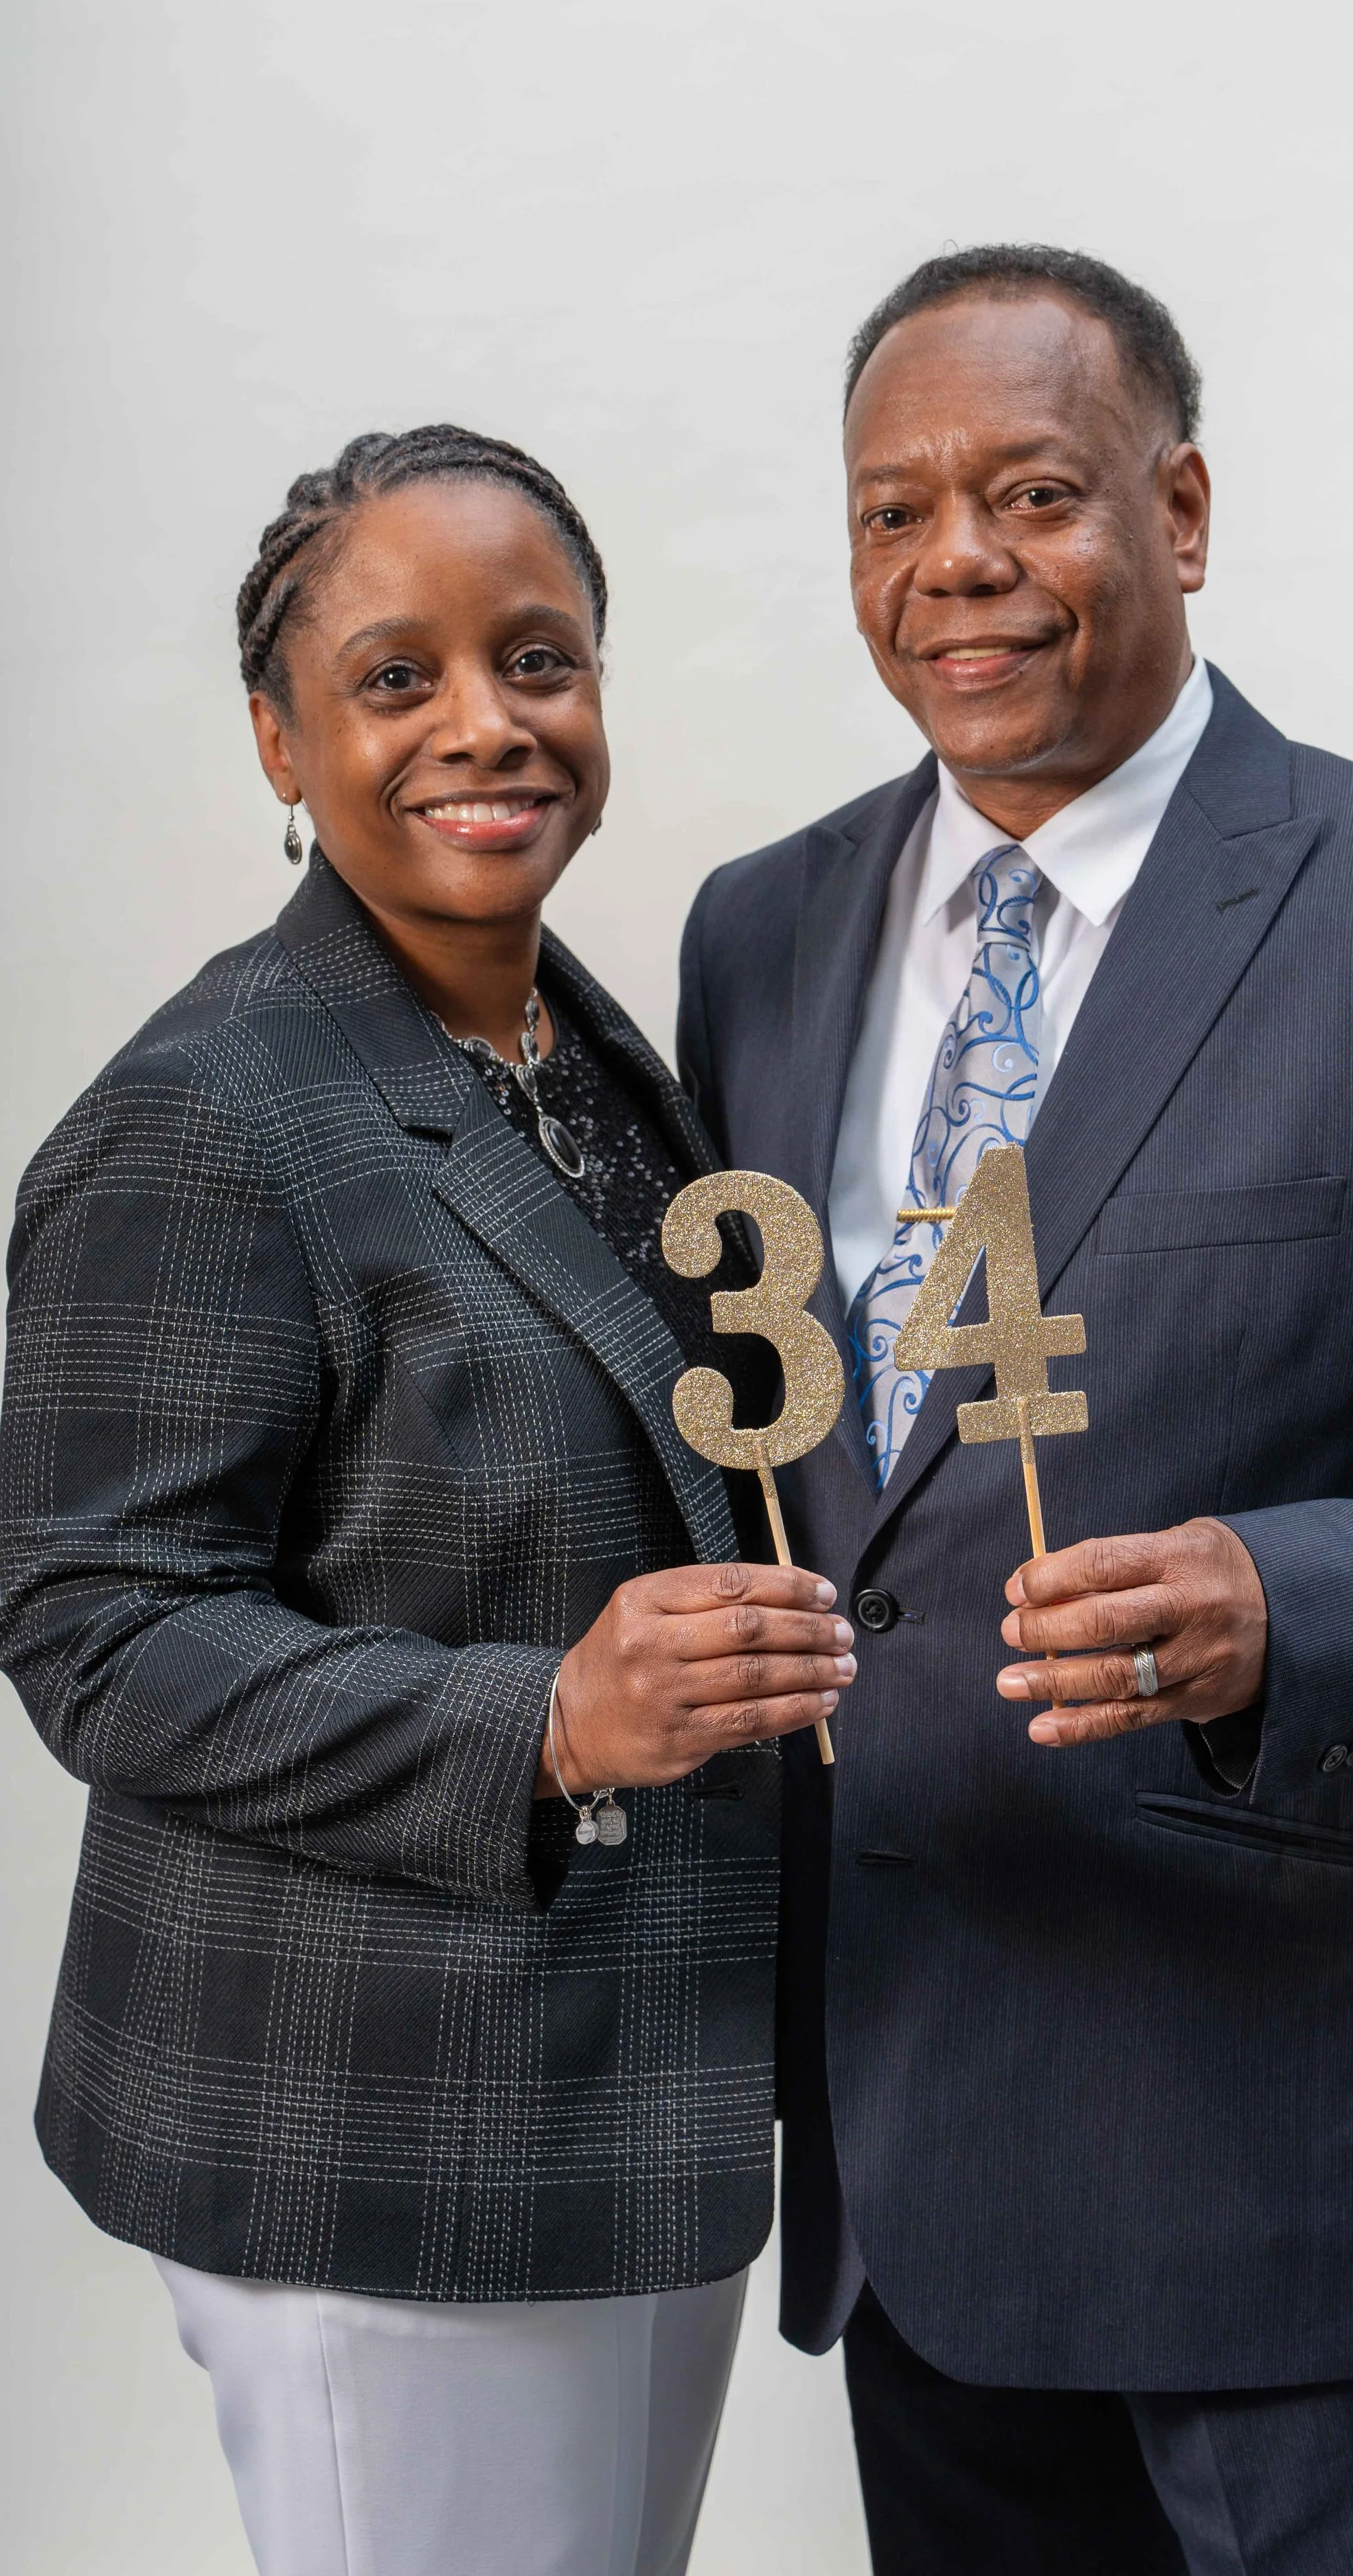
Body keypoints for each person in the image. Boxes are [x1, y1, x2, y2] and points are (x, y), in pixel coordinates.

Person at [676, 247, 1353, 2574]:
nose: (952, 561)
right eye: (887, 512)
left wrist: (1292, 1589)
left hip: (1322, 2165)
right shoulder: (755, 931)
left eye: (1031, 493)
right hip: (919, 2153)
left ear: (1183, 506)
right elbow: (828, 1456)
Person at [0, 425, 856, 2576]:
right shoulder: (207, 1116)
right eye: (398, 676)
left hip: (636, 2096)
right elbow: (95, 1627)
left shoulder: (595, 1058)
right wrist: (543, 1723)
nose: (489, 722)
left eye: (540, 658)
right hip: (383, 2132)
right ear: (281, 738)